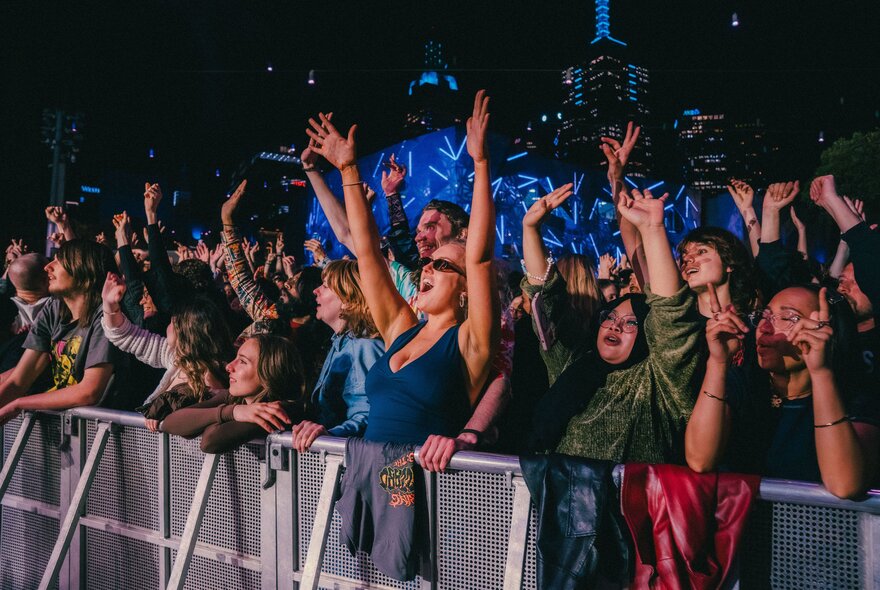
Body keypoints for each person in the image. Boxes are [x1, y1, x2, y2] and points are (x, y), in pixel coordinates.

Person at [304, 90, 500, 456]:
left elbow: (480, 259)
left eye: (442, 264)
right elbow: (366, 253)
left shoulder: (470, 343)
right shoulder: (402, 328)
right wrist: (348, 170)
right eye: (428, 262)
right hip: (367, 474)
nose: (427, 266)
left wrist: (481, 162)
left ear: (466, 289)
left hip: (421, 486)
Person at [529, 188, 703, 462]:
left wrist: (653, 229)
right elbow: (545, 297)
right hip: (563, 503)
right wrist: (530, 229)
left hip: (634, 504)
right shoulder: (571, 363)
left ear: (649, 334)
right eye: (609, 318)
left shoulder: (659, 381)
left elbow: (673, 315)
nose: (615, 326)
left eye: (631, 322)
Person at [685, 283, 879, 499]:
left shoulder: (856, 395)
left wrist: (820, 372)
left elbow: (845, 485)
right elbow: (699, 460)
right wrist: (718, 362)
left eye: (787, 318)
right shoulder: (743, 383)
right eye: (765, 315)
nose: (765, 327)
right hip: (746, 528)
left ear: (826, 331)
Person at [0, 239, 130, 424]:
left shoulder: (106, 317)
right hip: (64, 433)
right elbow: (18, 381)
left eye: (58, 261)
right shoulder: (52, 309)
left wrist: (20, 403)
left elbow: (89, 391)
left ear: (84, 270)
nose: (48, 267)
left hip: (102, 436)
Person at [100, 272, 234, 431]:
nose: (168, 326)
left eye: (172, 323)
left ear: (185, 334)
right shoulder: (175, 358)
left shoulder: (211, 380)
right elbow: (127, 336)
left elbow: (199, 426)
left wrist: (167, 417)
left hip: (180, 455)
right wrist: (109, 305)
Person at [291, 260, 385, 451]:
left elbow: (369, 415)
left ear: (348, 298)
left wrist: (330, 435)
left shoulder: (364, 346)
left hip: (348, 459)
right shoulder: (341, 343)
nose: (315, 291)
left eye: (325, 286)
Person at [161, 333, 306, 453]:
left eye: (242, 362)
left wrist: (228, 414)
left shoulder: (277, 411)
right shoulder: (235, 400)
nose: (229, 366)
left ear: (269, 373)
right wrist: (233, 411)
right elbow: (170, 422)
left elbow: (209, 441)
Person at [521, 185, 603, 385]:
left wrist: (531, 229)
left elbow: (545, 289)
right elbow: (546, 289)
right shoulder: (580, 328)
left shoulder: (599, 324)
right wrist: (531, 230)